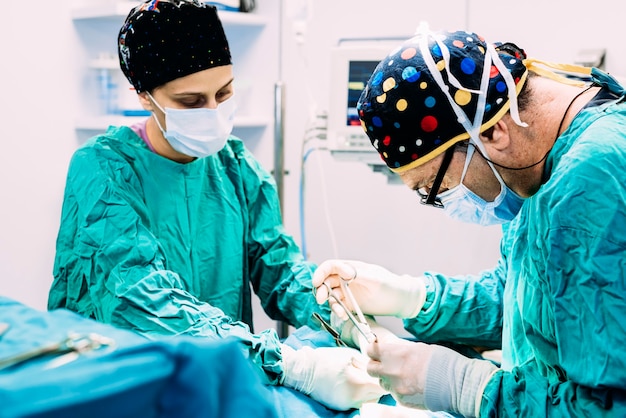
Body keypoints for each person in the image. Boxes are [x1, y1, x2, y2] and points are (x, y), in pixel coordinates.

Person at [48, 0, 386, 412]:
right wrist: (293, 364)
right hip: (129, 389)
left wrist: (346, 318)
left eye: (224, 93)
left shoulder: (237, 166)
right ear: (144, 97)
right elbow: (142, 299)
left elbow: (280, 272)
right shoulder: (103, 170)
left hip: (218, 383)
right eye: (191, 101)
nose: (213, 112)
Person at [312, 28, 626, 416]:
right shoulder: (536, 166)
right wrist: (410, 297)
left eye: (433, 186)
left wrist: (465, 386)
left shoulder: (592, 186)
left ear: (492, 131)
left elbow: (610, 406)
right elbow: (534, 305)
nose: (442, 200)